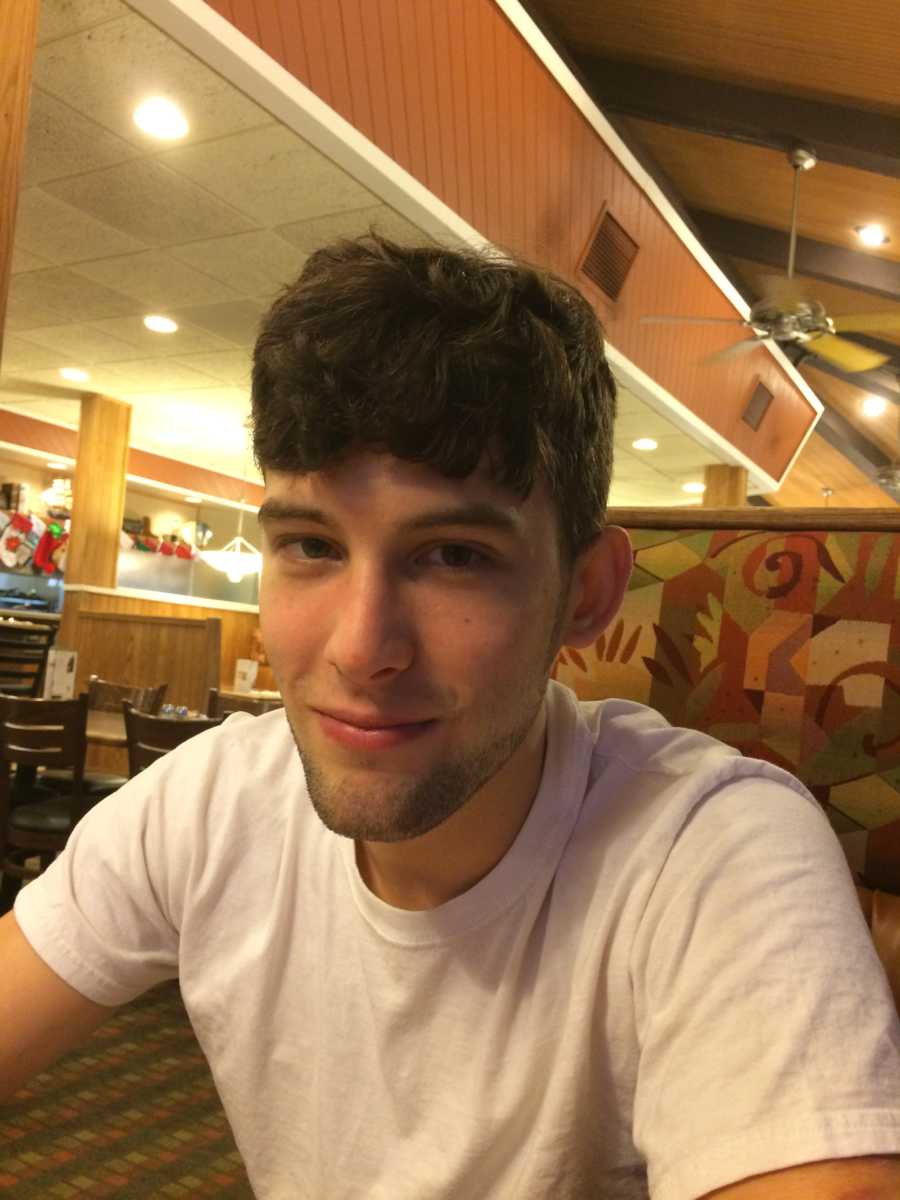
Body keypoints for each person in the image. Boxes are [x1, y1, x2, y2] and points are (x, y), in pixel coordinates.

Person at [2, 234, 899, 1200]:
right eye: (309, 544)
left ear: (586, 593)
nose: (360, 647)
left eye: (455, 557)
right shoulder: (212, 799)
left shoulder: (711, 849)